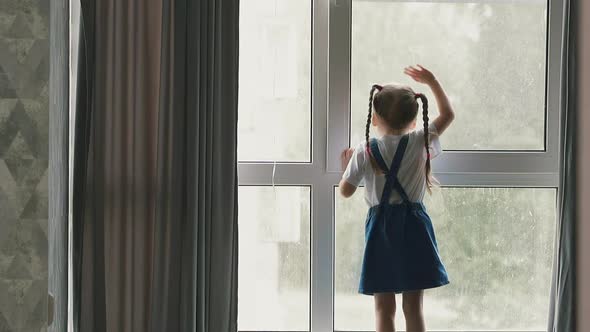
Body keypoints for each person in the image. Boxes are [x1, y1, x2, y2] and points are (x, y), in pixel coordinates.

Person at [339, 65, 456, 332]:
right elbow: (448, 114)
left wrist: (343, 171)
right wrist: (432, 80)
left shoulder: (364, 151)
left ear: (375, 118)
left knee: (383, 309)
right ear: (414, 121)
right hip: (415, 227)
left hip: (381, 231)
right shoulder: (419, 141)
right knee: (414, 308)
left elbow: (345, 191)